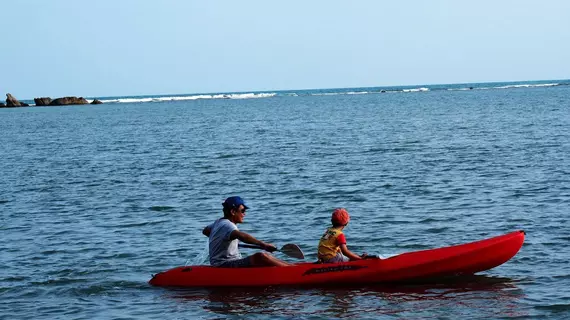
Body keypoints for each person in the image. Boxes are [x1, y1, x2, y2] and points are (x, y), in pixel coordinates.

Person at [202, 196, 290, 267]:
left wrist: (222, 241)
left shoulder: (218, 222)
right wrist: (263, 244)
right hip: (225, 265)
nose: (244, 214)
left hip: (220, 263)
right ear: (233, 211)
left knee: (268, 257)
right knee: (261, 257)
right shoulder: (228, 225)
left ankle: (292, 267)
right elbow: (241, 236)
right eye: (242, 210)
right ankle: (292, 272)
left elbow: (205, 231)